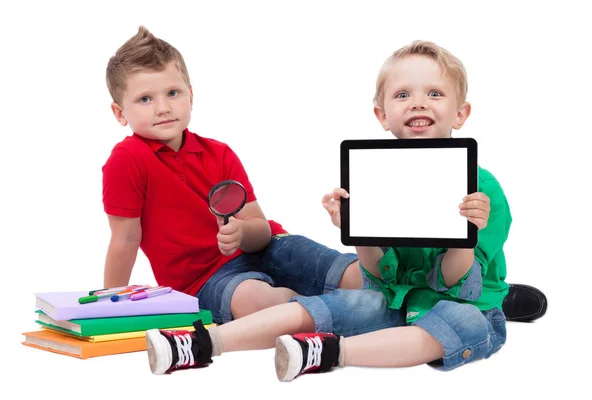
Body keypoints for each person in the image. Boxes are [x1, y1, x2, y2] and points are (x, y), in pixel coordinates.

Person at [102, 26, 545, 335]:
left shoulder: (219, 152)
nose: (163, 107)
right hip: (203, 279)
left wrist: (242, 231)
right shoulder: (128, 161)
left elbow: (258, 233)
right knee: (272, 304)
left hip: (272, 246)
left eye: (173, 93)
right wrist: (108, 305)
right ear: (120, 113)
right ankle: (387, 320)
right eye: (145, 99)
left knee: (363, 280)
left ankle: (482, 299)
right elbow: (125, 240)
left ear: (191, 95)